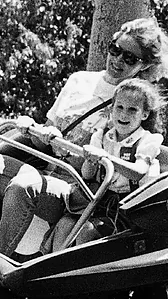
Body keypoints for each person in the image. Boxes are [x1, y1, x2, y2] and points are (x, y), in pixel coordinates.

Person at [0, 18, 168, 258]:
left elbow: (143, 150)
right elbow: (45, 139)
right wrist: (35, 129)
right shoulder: (79, 80)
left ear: (144, 66)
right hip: (49, 167)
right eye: (115, 50)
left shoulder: (131, 103)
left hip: (78, 186)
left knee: (24, 187)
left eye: (129, 58)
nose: (117, 60)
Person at [42, 77, 164, 253]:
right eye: (119, 107)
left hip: (128, 209)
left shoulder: (147, 141)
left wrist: (106, 158)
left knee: (87, 231)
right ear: (112, 109)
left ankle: (80, 275)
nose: (123, 114)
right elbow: (88, 175)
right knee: (64, 224)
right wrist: (91, 160)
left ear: (144, 115)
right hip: (100, 201)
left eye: (132, 110)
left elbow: (138, 172)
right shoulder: (102, 136)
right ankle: (51, 274)